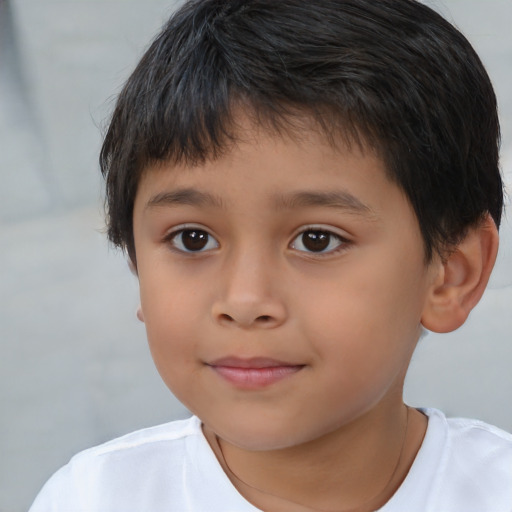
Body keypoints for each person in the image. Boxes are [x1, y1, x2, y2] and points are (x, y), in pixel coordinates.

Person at [29, 0, 512, 510]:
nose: (244, 300)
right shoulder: (94, 498)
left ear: (451, 276)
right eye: (193, 239)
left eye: (317, 240)